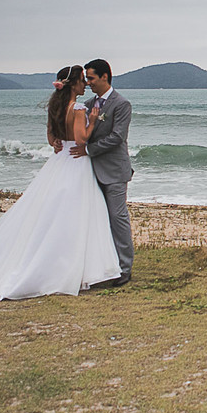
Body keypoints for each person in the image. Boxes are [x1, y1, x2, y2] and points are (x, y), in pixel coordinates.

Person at [0, 65, 121, 304]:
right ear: (73, 83)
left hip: (59, 160)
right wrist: (92, 121)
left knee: (51, 212)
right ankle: (72, 267)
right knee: (74, 214)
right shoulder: (76, 108)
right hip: (75, 161)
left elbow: (51, 138)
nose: (85, 84)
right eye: (82, 80)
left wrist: (58, 142)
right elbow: (80, 139)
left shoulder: (55, 107)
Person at [69, 58, 134, 287]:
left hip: (115, 171)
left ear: (105, 77)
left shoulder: (121, 104)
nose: (88, 83)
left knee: (118, 218)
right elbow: (80, 130)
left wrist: (88, 149)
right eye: (86, 79)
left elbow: (117, 137)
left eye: (92, 78)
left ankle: (125, 268)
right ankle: (104, 267)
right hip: (91, 172)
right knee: (97, 220)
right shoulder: (87, 104)